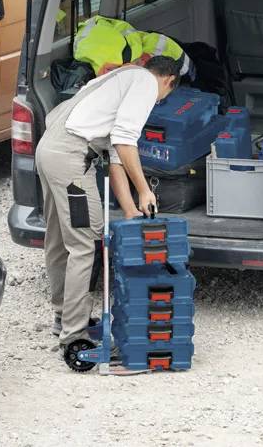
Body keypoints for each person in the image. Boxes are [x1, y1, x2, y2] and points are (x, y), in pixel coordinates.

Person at [35, 56, 181, 347]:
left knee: (59, 240)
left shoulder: (118, 80)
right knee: (85, 243)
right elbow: (126, 142)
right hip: (70, 156)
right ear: (169, 81)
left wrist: (130, 212)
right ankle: (74, 334)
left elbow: (117, 160)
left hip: (49, 149)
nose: (160, 99)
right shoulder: (145, 83)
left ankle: (64, 316)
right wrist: (144, 190)